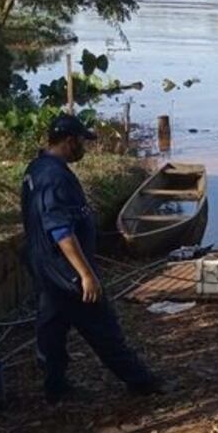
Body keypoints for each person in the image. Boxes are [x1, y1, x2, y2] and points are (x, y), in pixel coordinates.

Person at [20, 114, 162, 404]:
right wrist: (85, 274)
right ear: (70, 141)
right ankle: (141, 382)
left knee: (52, 326)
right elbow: (60, 230)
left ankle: (55, 386)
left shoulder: (37, 168)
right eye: (83, 141)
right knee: (102, 325)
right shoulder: (54, 176)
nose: (85, 147)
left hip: (45, 266)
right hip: (64, 270)